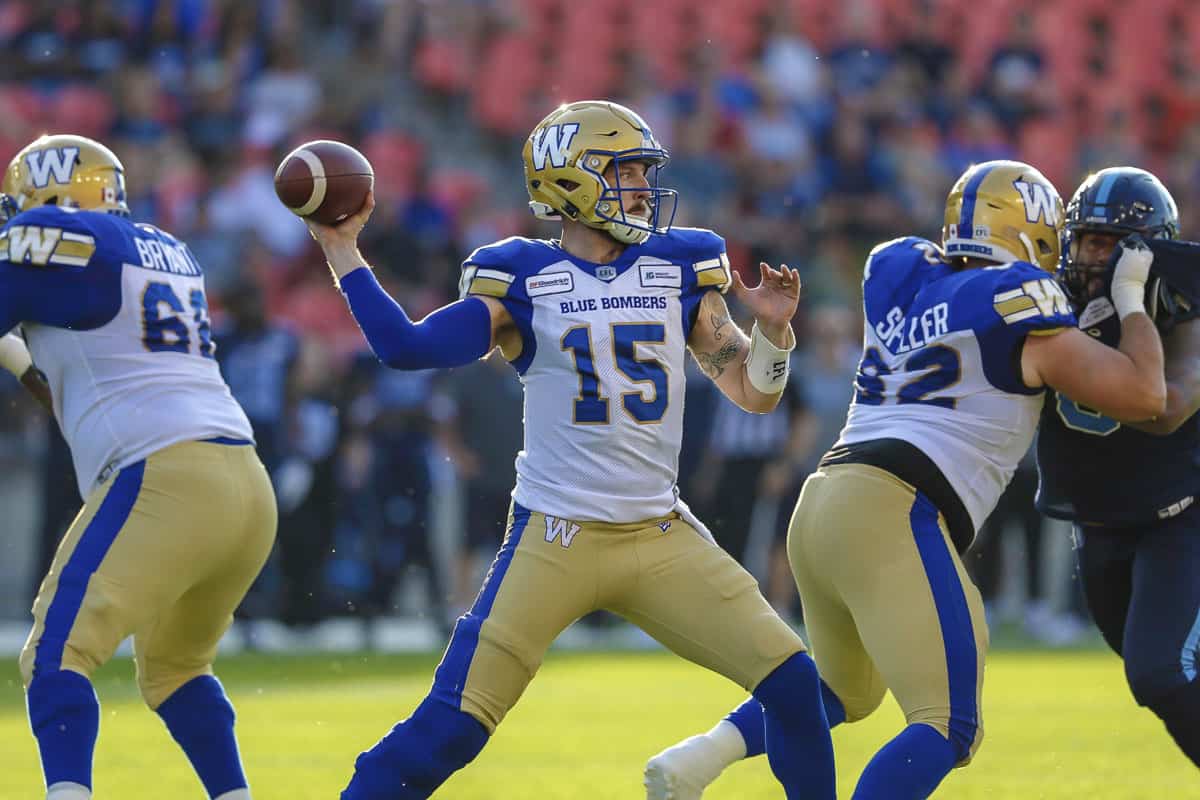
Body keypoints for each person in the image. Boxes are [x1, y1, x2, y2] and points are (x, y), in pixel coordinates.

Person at [303, 100, 837, 800]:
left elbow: (753, 392)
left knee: (796, 688)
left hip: (658, 533)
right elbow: (408, 348)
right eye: (626, 171)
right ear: (570, 180)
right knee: (452, 730)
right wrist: (342, 251)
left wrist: (772, 333)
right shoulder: (521, 276)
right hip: (554, 536)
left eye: (645, 172)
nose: (643, 188)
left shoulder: (681, 265)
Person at [642, 159, 1168, 800]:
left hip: (826, 497)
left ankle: (703, 754)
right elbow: (1144, 394)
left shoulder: (901, 274)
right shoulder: (1027, 317)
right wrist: (1133, 303)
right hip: (897, 508)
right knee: (949, 723)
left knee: (841, 692)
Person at [4, 135, 277, 800]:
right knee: (177, 670)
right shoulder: (162, 248)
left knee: (54, 654)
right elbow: (62, 367)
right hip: (242, 482)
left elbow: (33, 261)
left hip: (162, 475)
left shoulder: (65, 242)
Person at [1037, 166, 1200, 767]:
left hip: (1180, 518)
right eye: (1086, 240)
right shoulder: (1047, 309)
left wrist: (1131, 306)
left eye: (1113, 244)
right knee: (1165, 680)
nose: (1093, 257)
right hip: (1101, 527)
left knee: (1160, 673)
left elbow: (1165, 407)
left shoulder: (1184, 311)